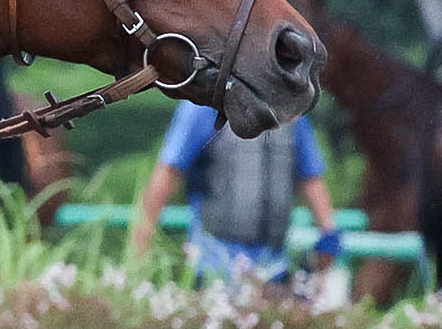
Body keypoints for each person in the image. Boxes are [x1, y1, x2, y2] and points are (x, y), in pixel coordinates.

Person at [127, 101, 342, 289]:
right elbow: (168, 173)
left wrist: (328, 234)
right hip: (212, 267)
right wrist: (138, 252)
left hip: (273, 270)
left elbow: (311, 178)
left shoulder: (289, 111)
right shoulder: (203, 106)